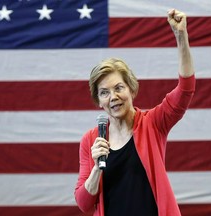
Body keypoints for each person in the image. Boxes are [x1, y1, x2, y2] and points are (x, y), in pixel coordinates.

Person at [74, 8, 195, 216]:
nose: (113, 97)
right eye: (104, 92)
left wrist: (181, 37)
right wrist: (96, 168)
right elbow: (84, 204)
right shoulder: (91, 140)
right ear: (99, 101)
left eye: (119, 88)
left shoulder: (153, 123)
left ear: (131, 89)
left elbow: (185, 90)